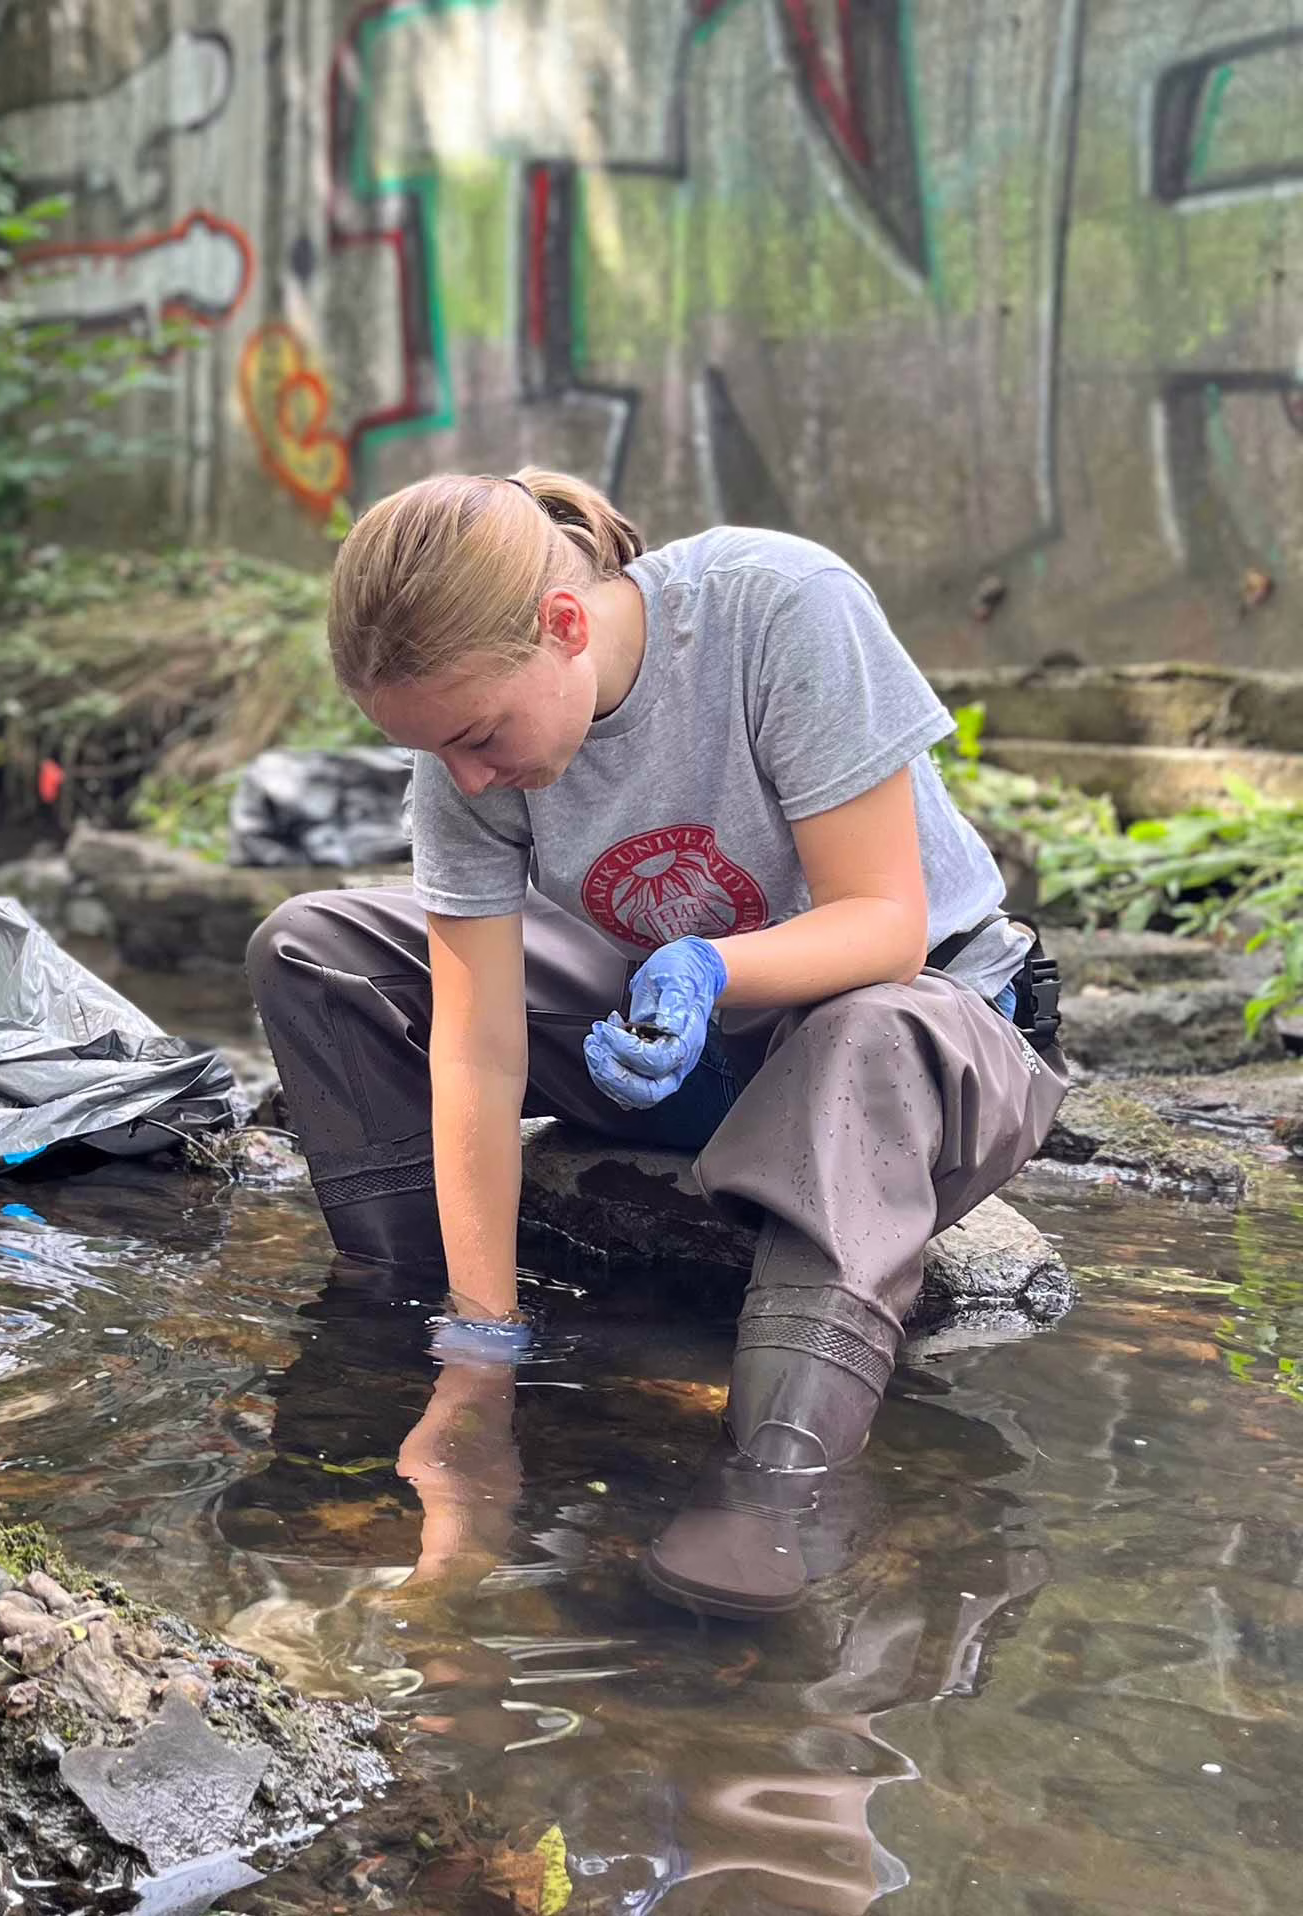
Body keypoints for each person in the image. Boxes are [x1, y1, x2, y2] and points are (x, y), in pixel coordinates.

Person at [246, 468, 1068, 1619]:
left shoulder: (777, 606)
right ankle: (393, 1331)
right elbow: (475, 1047)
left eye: (480, 737)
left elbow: (885, 923)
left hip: (915, 1027)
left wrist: (710, 965)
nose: (470, 777)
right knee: (313, 945)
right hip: (690, 1057)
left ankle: (780, 1478)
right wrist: (479, 1349)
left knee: (864, 1035)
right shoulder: (461, 756)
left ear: (564, 623)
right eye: (438, 754)